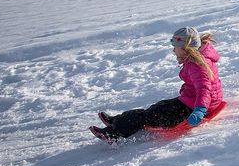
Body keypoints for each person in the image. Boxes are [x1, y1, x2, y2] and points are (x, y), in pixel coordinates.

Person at [90, 26, 224, 141]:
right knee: (157, 108)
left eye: (175, 48)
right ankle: (117, 121)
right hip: (192, 101)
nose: (173, 51)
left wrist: (200, 110)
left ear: (186, 49)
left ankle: (115, 134)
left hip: (195, 107)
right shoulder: (197, 59)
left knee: (149, 116)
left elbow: (204, 89)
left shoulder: (197, 65)